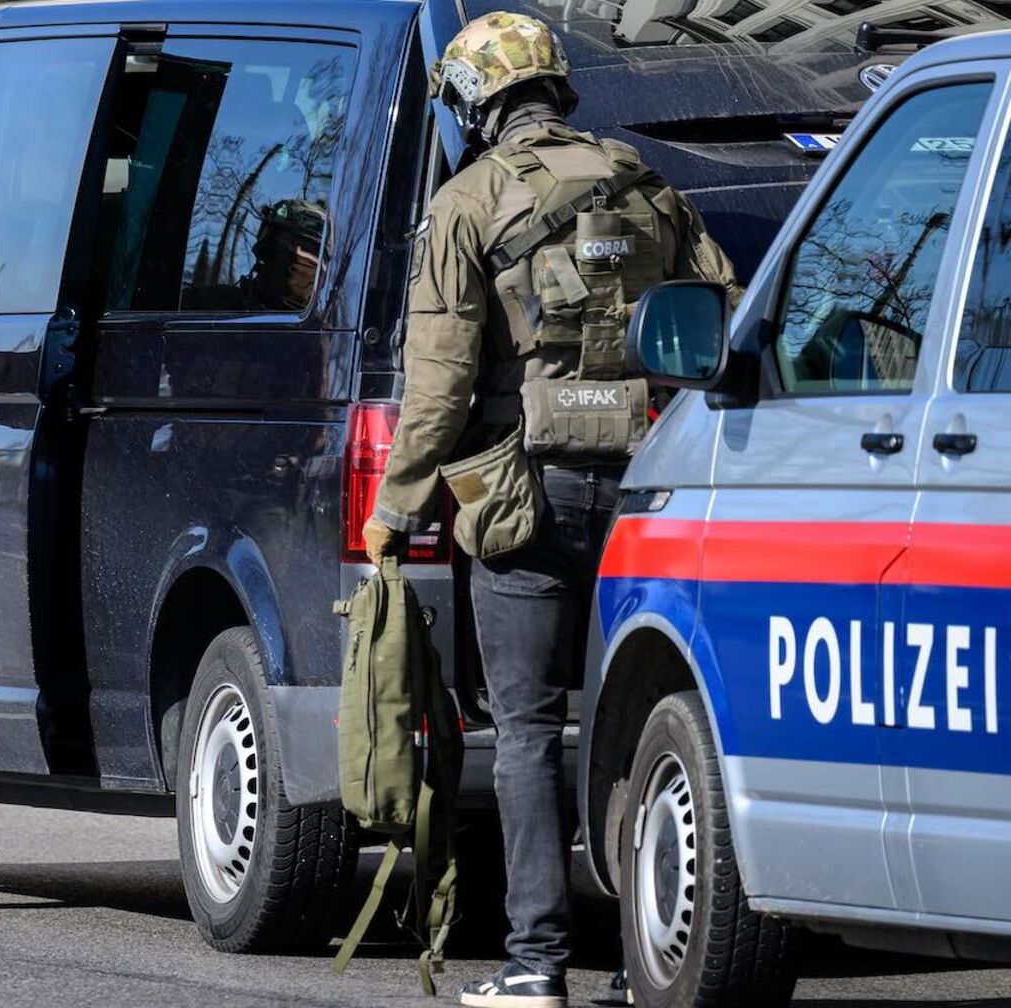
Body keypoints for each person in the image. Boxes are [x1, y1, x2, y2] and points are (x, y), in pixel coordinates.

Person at [359, 14, 738, 1006]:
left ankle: (535, 963)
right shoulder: (647, 183)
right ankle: (641, 959)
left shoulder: (465, 202)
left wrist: (395, 510)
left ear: (474, 102)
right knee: (637, 721)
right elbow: (722, 315)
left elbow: (438, 385)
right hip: (647, 489)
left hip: (521, 494)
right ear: (554, 85)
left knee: (526, 732)